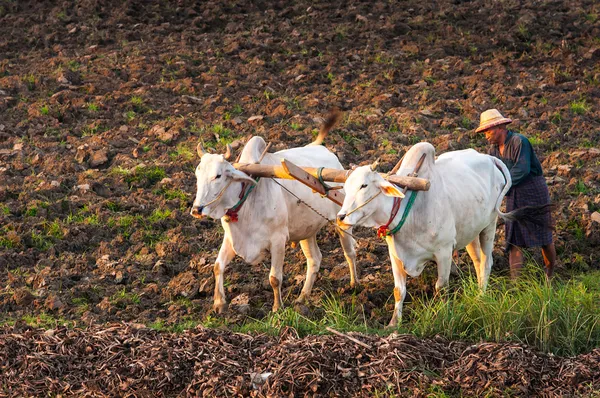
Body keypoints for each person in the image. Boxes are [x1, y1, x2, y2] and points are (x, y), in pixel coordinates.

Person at [476, 109, 556, 280]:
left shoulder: (519, 142)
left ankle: (550, 272)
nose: (486, 136)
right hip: (513, 193)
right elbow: (492, 174)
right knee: (514, 239)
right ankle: (515, 285)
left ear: (500, 127)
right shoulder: (493, 151)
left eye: (488, 131)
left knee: (544, 236)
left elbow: (522, 170)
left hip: (533, 190)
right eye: (484, 132)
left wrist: (501, 187)